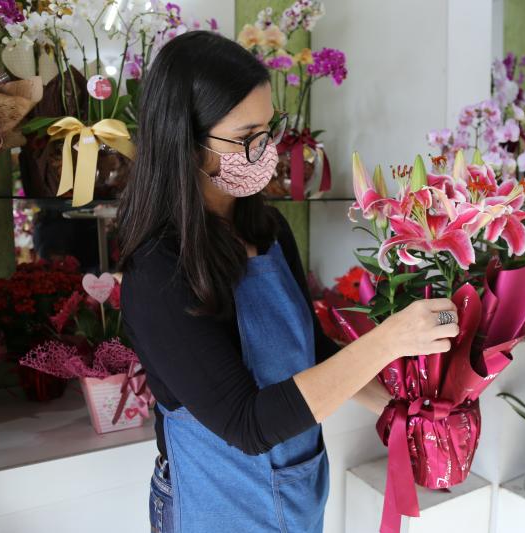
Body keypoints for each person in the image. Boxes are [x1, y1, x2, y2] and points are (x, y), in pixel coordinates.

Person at [117, 31, 459, 533]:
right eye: (246, 136)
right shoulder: (157, 272)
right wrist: (390, 341)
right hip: (215, 502)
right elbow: (249, 424)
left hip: (296, 490)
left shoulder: (268, 231)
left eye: (269, 128)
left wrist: (406, 409)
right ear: (185, 144)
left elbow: (312, 353)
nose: (266, 150)